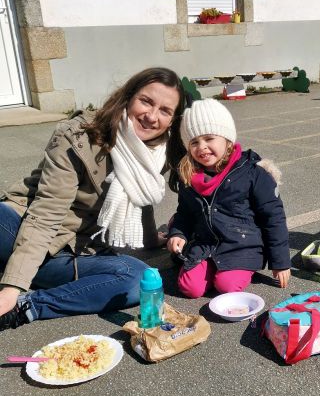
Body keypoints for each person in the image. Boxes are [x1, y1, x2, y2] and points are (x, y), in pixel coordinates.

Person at [0, 67, 186, 332]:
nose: (151, 116)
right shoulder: (78, 137)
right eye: (146, 101)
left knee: (136, 280)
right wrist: (12, 287)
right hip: (25, 228)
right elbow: (46, 214)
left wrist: (150, 239)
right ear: (128, 97)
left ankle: (27, 306)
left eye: (165, 111)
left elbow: (140, 197)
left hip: (76, 250)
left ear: (172, 120)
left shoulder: (158, 151)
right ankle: (18, 276)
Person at [166, 99, 291, 298]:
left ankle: (240, 269)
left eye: (209, 138)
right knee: (190, 288)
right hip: (205, 244)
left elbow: (273, 218)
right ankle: (207, 266)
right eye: (194, 142)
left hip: (242, 246)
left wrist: (281, 262)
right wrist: (178, 233)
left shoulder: (252, 173)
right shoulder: (189, 176)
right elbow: (185, 213)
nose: (202, 147)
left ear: (227, 139)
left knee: (226, 286)